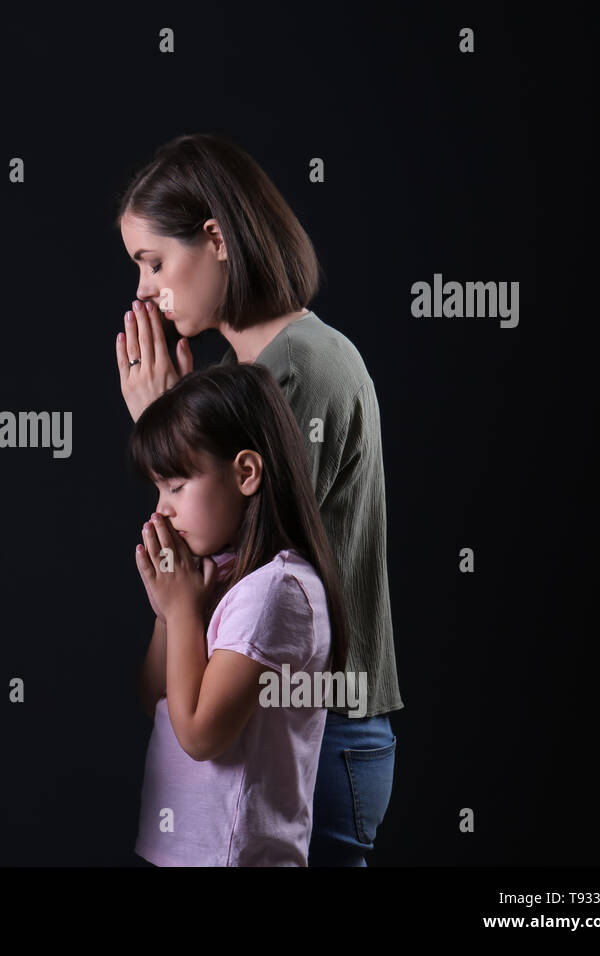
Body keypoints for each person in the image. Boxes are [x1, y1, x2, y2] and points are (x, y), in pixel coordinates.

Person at [115, 134, 401, 866]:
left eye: (154, 262)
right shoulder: (264, 368)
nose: (145, 289)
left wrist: (163, 420)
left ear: (216, 239)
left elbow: (233, 565)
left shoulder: (291, 372)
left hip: (316, 728)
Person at [131, 363, 349, 866]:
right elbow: (155, 698)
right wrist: (168, 614)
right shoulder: (221, 575)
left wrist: (184, 613)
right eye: (158, 490)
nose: (161, 510)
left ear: (246, 473)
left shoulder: (276, 592)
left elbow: (200, 735)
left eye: (177, 486)